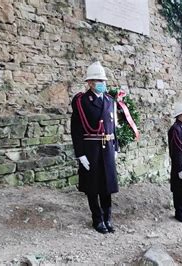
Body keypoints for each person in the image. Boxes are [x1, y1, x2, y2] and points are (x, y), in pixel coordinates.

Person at [70, 61, 119, 234]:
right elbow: (75, 129)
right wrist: (80, 154)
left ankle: (107, 217)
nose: (102, 83)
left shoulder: (109, 99)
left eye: (103, 80)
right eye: (98, 80)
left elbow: (113, 126)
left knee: (107, 186)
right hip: (91, 149)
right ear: (90, 82)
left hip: (107, 148)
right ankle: (97, 219)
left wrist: (116, 147)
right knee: (93, 187)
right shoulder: (81, 101)